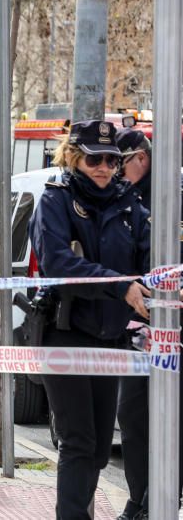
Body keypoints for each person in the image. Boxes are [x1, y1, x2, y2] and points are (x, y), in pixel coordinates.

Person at [30, 120, 151, 520]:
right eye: (94, 159)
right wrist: (121, 287)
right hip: (64, 334)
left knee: (99, 448)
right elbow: (58, 263)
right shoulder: (56, 199)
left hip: (111, 339)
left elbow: (149, 261)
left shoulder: (129, 204)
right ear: (74, 157)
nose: (103, 168)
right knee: (79, 442)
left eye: (111, 160)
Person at [114, 127, 183, 520]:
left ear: (141, 157)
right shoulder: (123, 199)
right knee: (133, 416)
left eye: (118, 163)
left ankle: (165, 500)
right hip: (139, 328)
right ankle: (140, 497)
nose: (113, 171)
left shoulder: (174, 193)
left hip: (176, 326)